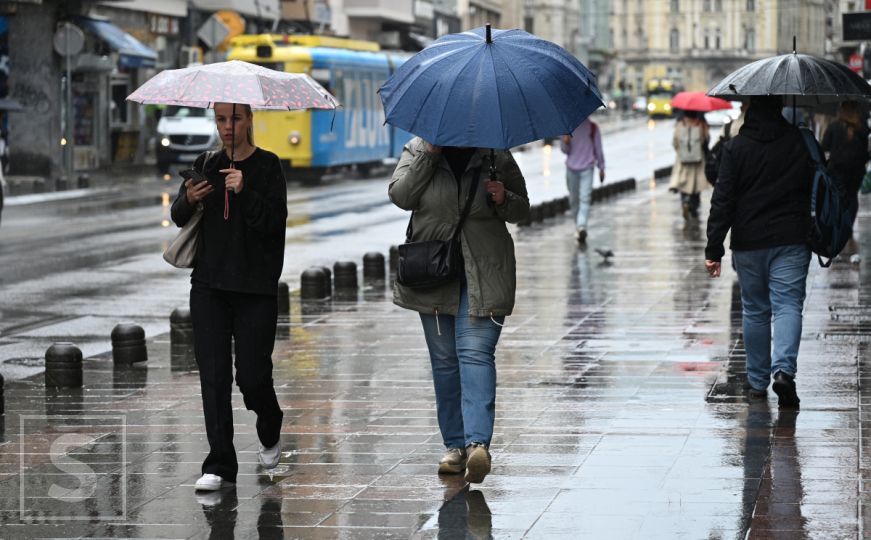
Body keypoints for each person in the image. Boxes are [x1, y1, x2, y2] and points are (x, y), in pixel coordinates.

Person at [388, 138, 529, 484]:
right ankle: (455, 447)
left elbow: (523, 209)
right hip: (434, 274)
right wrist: (430, 155)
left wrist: (502, 198)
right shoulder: (417, 149)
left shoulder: (493, 154)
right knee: (446, 363)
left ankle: (477, 444)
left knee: (475, 353)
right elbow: (401, 196)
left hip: (485, 272)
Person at [170, 102, 288, 492]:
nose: (227, 127)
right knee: (214, 377)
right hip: (209, 287)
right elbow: (178, 215)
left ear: (250, 119)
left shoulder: (269, 166)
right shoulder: (207, 162)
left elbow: (272, 224)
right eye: (221, 119)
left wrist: (245, 190)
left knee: (252, 378)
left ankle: (270, 423)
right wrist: (188, 196)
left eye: (235, 118)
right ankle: (220, 463)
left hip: (255, 288)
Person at [705, 95, 814, 409]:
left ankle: (756, 382)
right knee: (788, 305)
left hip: (749, 241)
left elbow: (722, 201)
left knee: (755, 310)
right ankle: (784, 371)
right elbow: (814, 187)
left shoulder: (736, 148)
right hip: (792, 238)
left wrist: (714, 249)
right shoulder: (799, 142)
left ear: (749, 110)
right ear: (780, 108)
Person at [821, 100, 869, 260]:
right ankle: (847, 229)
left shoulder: (835, 127)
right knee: (852, 197)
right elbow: (866, 151)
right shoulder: (862, 128)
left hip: (837, 171)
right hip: (856, 171)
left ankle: (839, 227)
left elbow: (824, 146)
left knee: (839, 199)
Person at [560, 119, 605, 243]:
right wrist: (566, 142)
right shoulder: (567, 127)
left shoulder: (592, 127)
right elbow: (564, 150)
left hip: (587, 168)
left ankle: (581, 226)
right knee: (574, 200)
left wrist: (601, 167)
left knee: (585, 199)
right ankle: (579, 227)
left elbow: (598, 149)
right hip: (571, 169)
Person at [670, 111, 709, 221]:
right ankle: (694, 207)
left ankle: (685, 201)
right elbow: (705, 141)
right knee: (696, 185)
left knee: (684, 183)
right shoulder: (700, 124)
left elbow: (674, 143)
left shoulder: (679, 124)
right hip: (698, 160)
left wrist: (681, 151)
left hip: (683, 160)